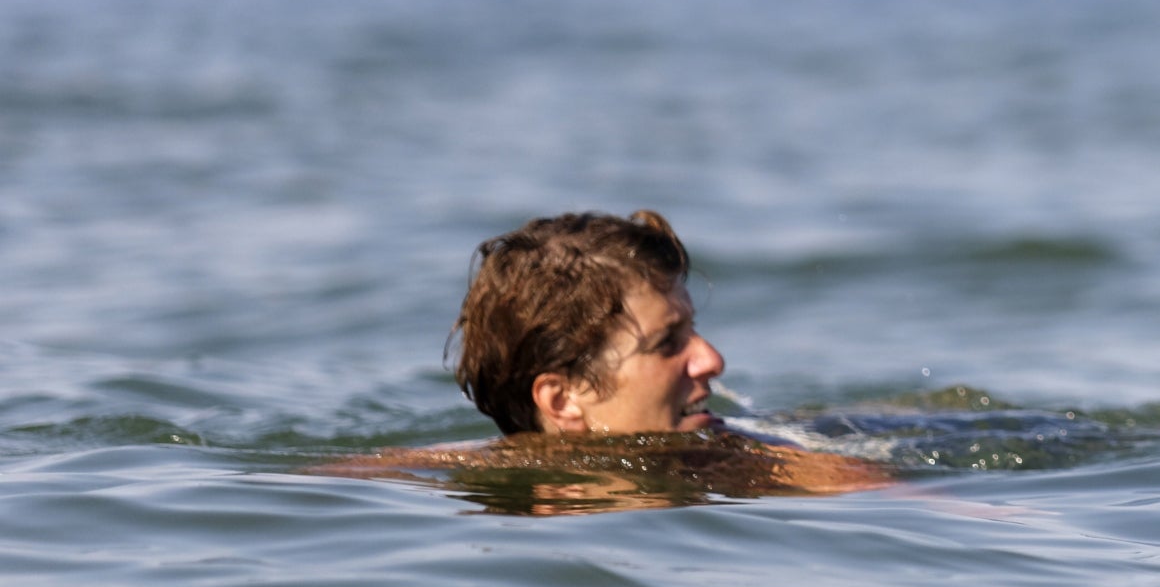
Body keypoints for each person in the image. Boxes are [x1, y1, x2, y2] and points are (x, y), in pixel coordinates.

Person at [325, 210, 887, 508]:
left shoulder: (736, 458)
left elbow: (889, 494)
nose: (712, 359)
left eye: (694, 330)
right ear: (563, 398)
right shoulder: (479, 466)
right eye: (669, 343)